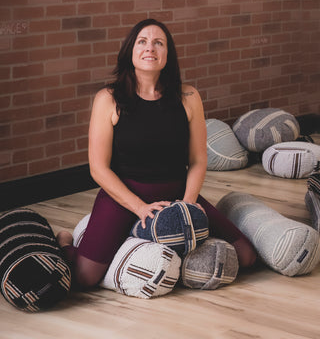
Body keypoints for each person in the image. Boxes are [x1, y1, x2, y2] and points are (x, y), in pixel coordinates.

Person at [57, 18, 256, 289]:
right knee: (83, 278)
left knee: (246, 256)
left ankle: (137, 234)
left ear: (167, 55)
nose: (150, 48)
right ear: (130, 51)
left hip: (176, 193)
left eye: (158, 43)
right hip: (123, 197)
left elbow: (198, 160)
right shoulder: (108, 99)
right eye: (142, 42)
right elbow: (98, 168)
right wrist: (139, 208)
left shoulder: (189, 97)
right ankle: (68, 242)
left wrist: (187, 205)